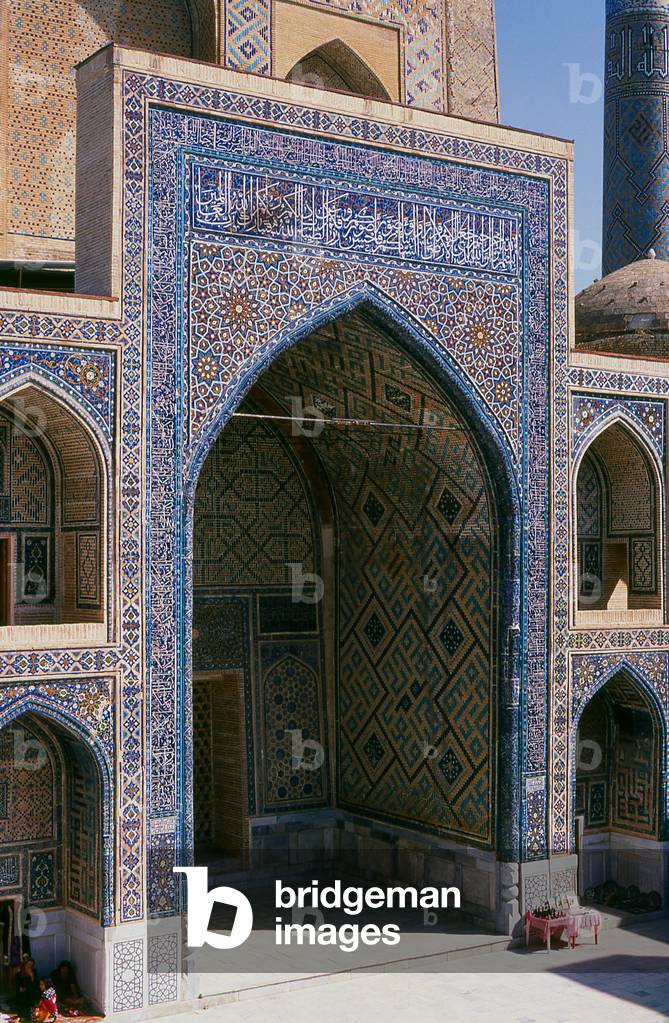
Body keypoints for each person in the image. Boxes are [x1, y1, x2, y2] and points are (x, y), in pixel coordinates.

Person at [14, 955, 39, 1021]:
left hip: (31, 997)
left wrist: (32, 977)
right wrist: (28, 988)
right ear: (24, 965)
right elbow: (19, 989)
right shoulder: (18, 975)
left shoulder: (34, 974)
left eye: (31, 965)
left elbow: (35, 987)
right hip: (22, 999)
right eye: (28, 964)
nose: (29, 967)